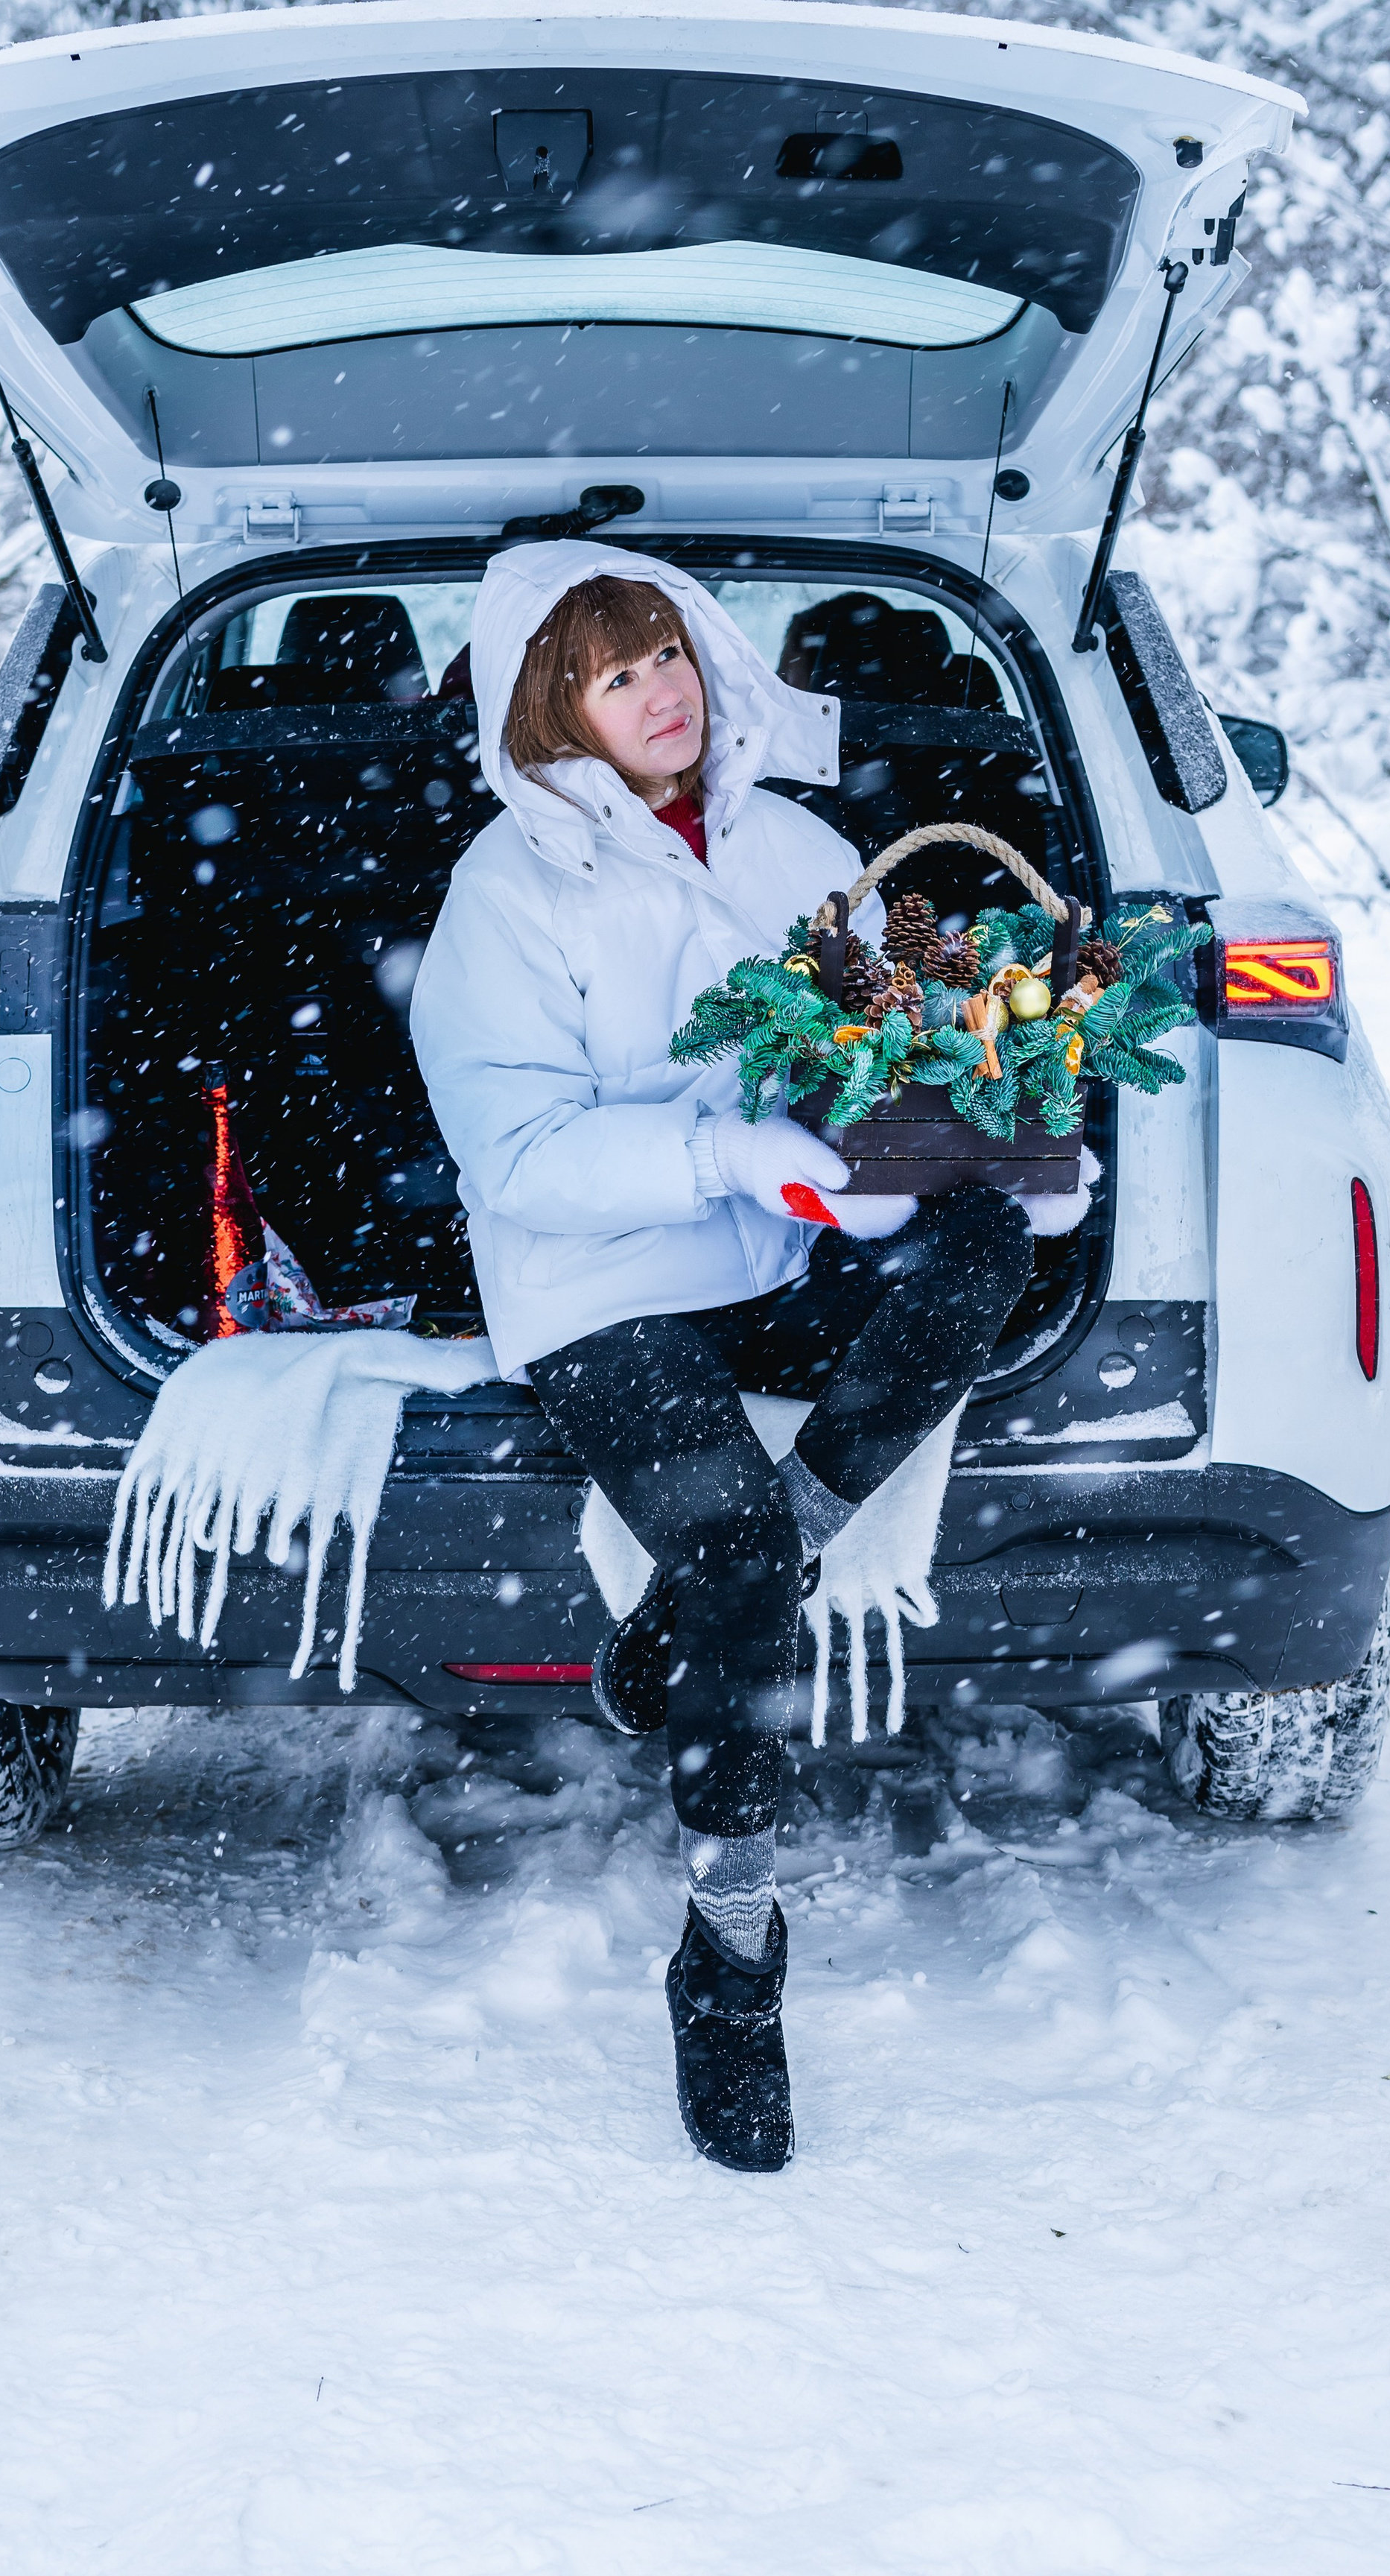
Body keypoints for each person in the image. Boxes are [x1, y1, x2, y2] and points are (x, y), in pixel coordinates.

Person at [410, 543, 1085, 2172]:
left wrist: (986, 1107)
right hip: (602, 1278)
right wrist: (727, 1160)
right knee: (712, 1541)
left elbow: (877, 1041)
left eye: (670, 656)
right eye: (613, 669)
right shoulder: (505, 895)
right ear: (547, 708)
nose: (661, 690)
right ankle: (727, 1955)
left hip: (777, 1245)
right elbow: (512, 1154)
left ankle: (763, 1555)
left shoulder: (795, 843)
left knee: (987, 1240)